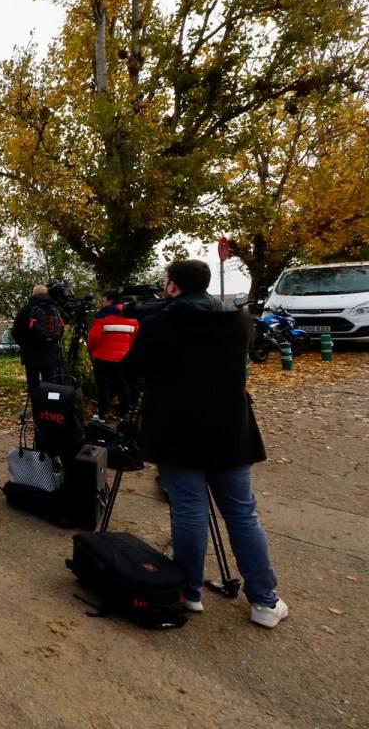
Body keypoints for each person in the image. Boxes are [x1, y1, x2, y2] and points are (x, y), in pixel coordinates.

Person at [123, 259, 287, 628]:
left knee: (189, 511)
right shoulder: (240, 321)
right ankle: (264, 601)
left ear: (173, 286)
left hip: (176, 428)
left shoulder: (159, 324)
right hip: (230, 428)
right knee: (242, 513)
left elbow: (131, 369)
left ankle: (189, 592)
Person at [87, 290, 139, 421]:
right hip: (123, 358)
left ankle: (102, 414)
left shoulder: (103, 316)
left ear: (110, 301)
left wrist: (93, 351)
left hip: (102, 357)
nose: (102, 303)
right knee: (122, 385)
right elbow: (134, 338)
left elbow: (94, 339)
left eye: (103, 300)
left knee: (103, 386)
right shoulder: (132, 317)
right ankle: (124, 414)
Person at [11, 284, 64, 399]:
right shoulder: (56, 309)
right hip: (51, 354)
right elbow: (61, 330)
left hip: (31, 355)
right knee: (50, 385)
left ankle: (36, 407)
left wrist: (25, 344)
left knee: (33, 385)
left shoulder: (26, 310)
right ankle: (50, 407)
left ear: (33, 294)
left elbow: (15, 332)